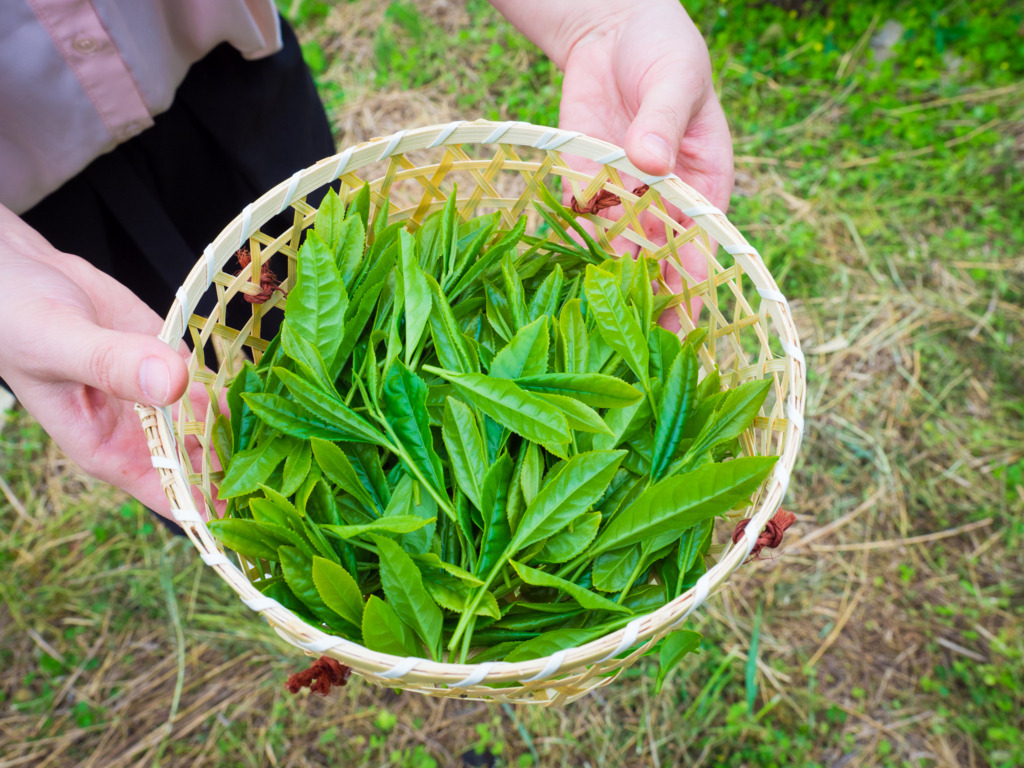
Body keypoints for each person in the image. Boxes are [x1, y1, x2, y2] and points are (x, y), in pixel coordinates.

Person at [0, 0, 733, 519]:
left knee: (329, 296)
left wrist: (595, 15)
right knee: (201, 432)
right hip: (27, 213)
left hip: (218, 74)